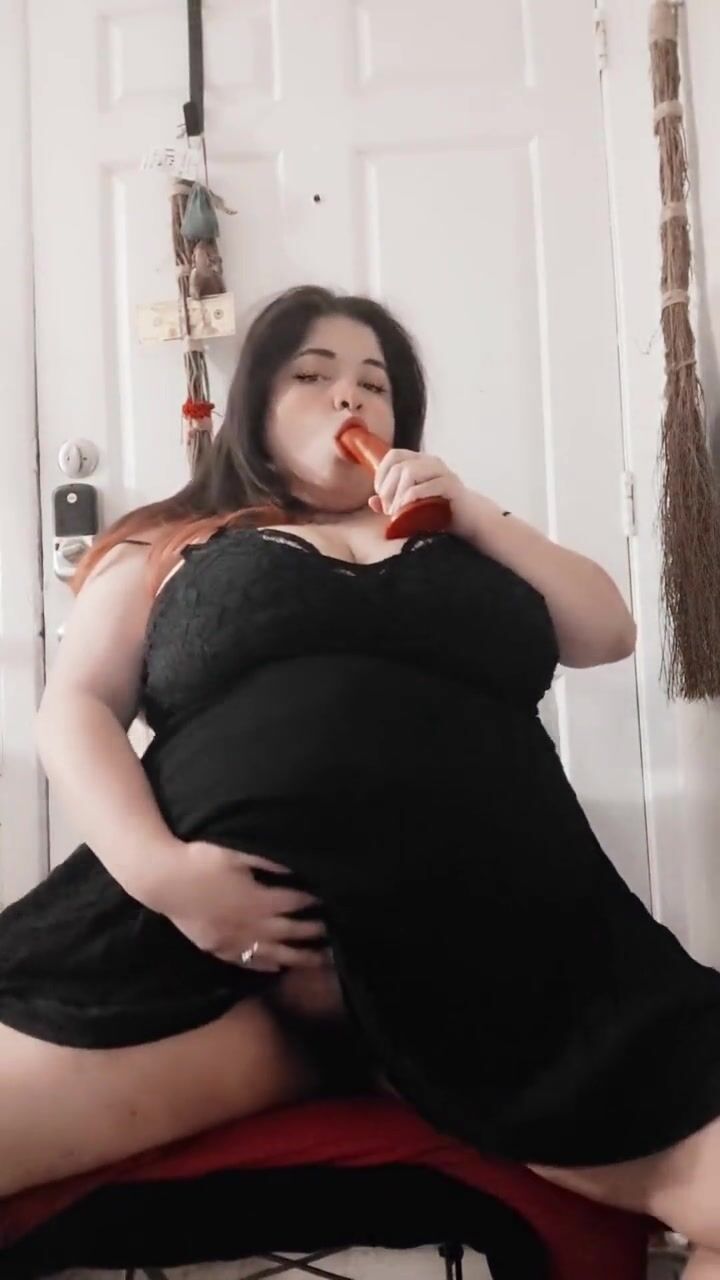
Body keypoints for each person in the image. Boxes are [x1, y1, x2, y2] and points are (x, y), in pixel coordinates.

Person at [1, 284, 720, 1277]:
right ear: (254, 404)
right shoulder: (177, 538)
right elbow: (76, 708)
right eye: (313, 375)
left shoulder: (461, 536)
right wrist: (162, 873)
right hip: (207, 973)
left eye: (375, 385)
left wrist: (467, 508)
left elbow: (606, 628)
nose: (350, 398)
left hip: (501, 977)